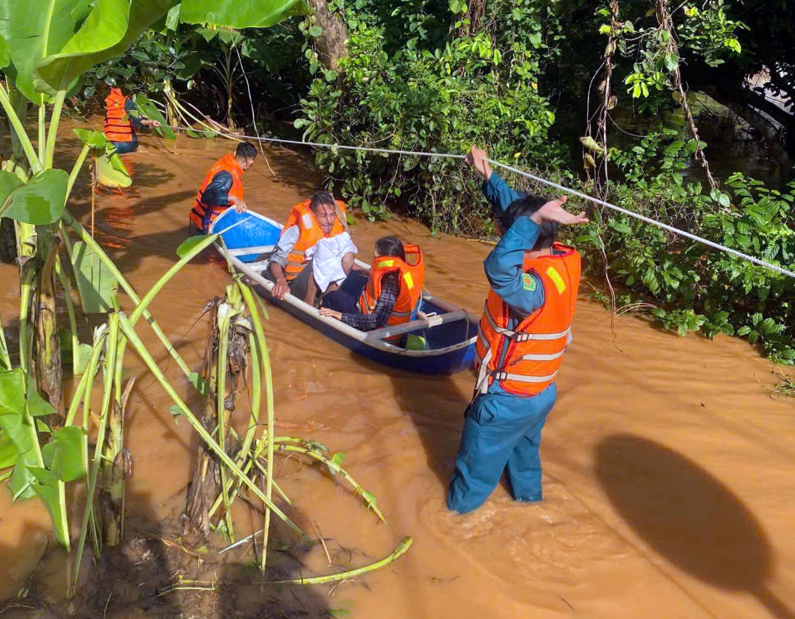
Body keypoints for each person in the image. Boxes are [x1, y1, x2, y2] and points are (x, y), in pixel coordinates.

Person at [447, 145, 588, 515]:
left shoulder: (530, 288)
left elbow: (498, 268)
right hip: (540, 393)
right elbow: (515, 211)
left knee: (473, 477)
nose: (498, 232)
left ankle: (454, 528)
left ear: (523, 236)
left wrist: (530, 219)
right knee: (524, 464)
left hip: (506, 400)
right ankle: (529, 510)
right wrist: (487, 174)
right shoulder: (561, 258)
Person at [319, 236, 425, 339]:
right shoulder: (399, 271)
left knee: (331, 297)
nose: (374, 260)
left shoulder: (390, 282)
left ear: (385, 258)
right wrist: (358, 269)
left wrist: (340, 315)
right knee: (357, 278)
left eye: (375, 257)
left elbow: (376, 320)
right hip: (380, 317)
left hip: (379, 331)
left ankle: (326, 330)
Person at [267, 191, 349, 304]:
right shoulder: (296, 231)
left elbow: (343, 260)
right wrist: (280, 280)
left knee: (348, 256)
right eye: (324, 215)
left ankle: (327, 300)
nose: (329, 221)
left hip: (323, 285)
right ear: (314, 214)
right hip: (297, 284)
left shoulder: (336, 233)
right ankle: (309, 304)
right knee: (323, 254)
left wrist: (364, 271)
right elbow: (276, 260)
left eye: (332, 215)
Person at [189, 142, 258, 234]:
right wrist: (233, 198)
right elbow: (207, 196)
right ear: (250, 163)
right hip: (209, 226)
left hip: (204, 221)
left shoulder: (226, 163)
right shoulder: (227, 175)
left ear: (235, 153)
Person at [103, 87, 161, 154]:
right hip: (127, 144)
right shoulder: (127, 102)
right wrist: (151, 122)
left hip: (111, 145)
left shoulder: (106, 102)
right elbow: (137, 122)